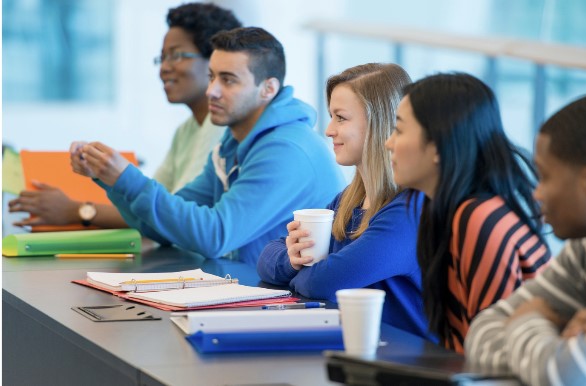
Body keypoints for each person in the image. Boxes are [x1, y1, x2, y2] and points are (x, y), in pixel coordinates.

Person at [69, 27, 345, 266]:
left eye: (228, 80)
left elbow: (215, 236)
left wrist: (126, 178)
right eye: (212, 76)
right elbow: (164, 227)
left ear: (268, 89)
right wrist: (111, 180)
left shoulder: (287, 150)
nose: (211, 90)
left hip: (292, 306)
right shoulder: (233, 143)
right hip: (251, 290)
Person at [8, 3, 241, 228]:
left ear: (215, 60)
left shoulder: (221, 129)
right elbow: (148, 204)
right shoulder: (186, 131)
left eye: (177, 55)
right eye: (162, 58)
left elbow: (170, 212)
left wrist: (77, 210)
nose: (164, 68)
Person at [256, 63, 433, 339]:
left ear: (379, 122)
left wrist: (303, 271)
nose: (328, 130)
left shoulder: (409, 212)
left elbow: (323, 282)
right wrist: (292, 260)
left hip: (408, 367)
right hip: (357, 346)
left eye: (341, 118)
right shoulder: (349, 201)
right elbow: (267, 258)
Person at [465, 92, 586, 385]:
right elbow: (481, 334)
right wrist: (557, 340)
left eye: (545, 177)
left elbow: (567, 377)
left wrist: (528, 319)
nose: (536, 193)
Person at [384, 73, 551, 353]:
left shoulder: (478, 217)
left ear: (437, 144)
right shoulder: (443, 207)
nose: (389, 143)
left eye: (399, 130)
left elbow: (490, 354)